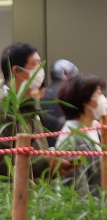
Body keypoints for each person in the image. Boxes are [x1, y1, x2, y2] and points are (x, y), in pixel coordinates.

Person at [0, 42, 69, 179]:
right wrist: (46, 164)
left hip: (35, 188)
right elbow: (3, 161)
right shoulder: (4, 107)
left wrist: (53, 161)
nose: (40, 70)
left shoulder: (31, 104)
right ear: (16, 71)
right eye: (35, 64)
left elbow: (38, 148)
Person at [55, 73, 107, 196]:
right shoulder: (72, 139)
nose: (104, 99)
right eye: (99, 94)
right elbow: (77, 192)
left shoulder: (93, 130)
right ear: (85, 100)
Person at [42, 59, 79, 140]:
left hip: (43, 141)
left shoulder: (41, 93)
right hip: (66, 140)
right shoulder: (71, 94)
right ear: (66, 74)